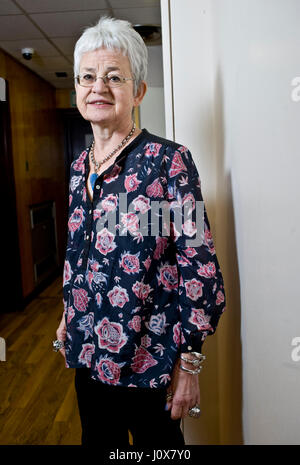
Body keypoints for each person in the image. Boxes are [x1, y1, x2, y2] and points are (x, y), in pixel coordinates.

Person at [54, 16, 226, 447]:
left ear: (139, 91)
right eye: (88, 77)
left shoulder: (168, 162)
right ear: (76, 87)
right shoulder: (79, 168)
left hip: (150, 360)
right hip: (89, 355)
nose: (98, 87)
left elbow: (199, 266)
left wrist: (189, 366)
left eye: (114, 77)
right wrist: (67, 312)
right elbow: (81, 255)